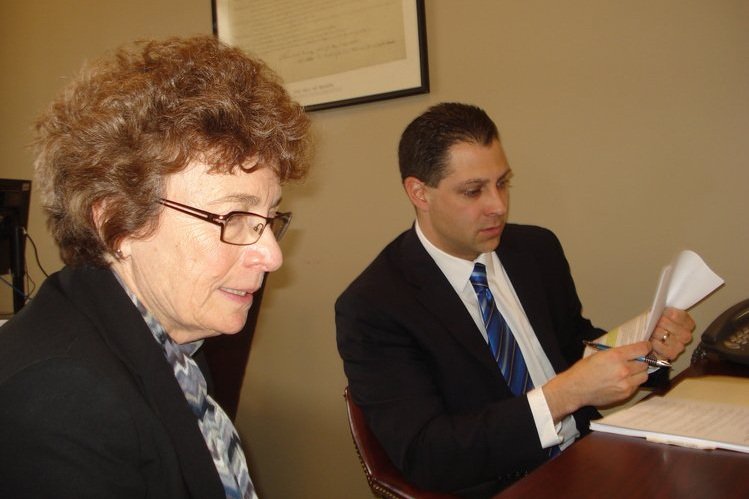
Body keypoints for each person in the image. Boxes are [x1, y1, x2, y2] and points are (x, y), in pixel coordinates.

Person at [0, 36, 311, 499]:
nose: (272, 254)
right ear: (116, 225)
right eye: (234, 217)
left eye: (268, 218)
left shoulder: (170, 337)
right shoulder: (61, 399)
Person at [335, 102, 695, 497]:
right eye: (473, 191)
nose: (498, 206)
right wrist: (564, 395)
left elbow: (573, 343)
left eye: (503, 183)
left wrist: (649, 351)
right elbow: (429, 455)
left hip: (587, 456)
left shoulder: (535, 249)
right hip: (497, 487)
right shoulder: (375, 305)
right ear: (419, 192)